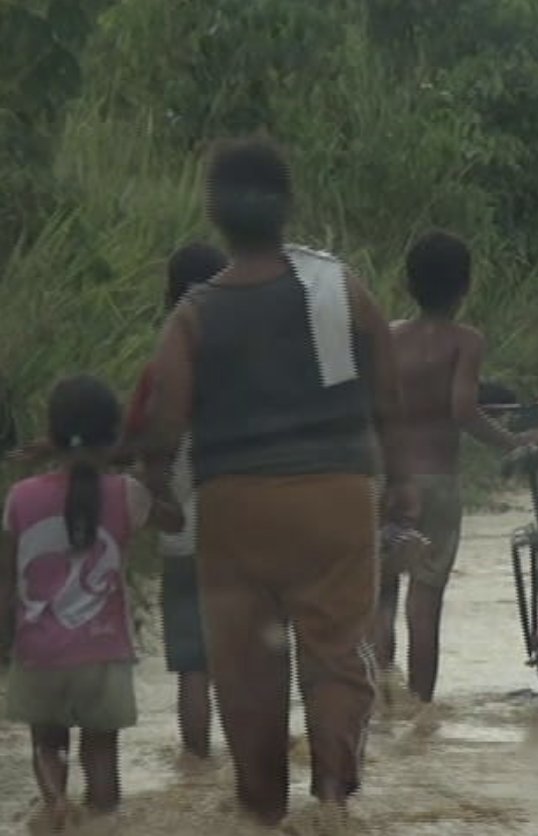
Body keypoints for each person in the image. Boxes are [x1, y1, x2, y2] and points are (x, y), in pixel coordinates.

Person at [140, 138, 415, 829]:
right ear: (286, 209)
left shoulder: (194, 313)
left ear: (215, 217)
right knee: (334, 655)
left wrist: (159, 487)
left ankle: (263, 807)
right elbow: (387, 386)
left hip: (236, 514)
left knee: (247, 676)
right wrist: (400, 480)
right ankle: (328, 799)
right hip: (336, 500)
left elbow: (164, 415)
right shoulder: (335, 286)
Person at [0, 375, 182, 830]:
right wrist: (132, 458)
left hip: (38, 653)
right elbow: (175, 520)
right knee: (102, 755)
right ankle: (102, 820)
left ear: (52, 434)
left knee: (47, 744)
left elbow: (6, 583)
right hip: (103, 655)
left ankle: (56, 805)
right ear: (112, 434)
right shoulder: (125, 493)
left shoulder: (20, 497)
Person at [374, 230, 537, 705]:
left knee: (382, 595)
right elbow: (463, 409)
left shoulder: (387, 337)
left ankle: (383, 695)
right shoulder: (465, 342)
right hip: (438, 485)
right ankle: (420, 714)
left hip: (389, 481)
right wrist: (512, 443)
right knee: (425, 605)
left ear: (408, 284)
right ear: (464, 287)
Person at [121, 243, 228, 760]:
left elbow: (139, 452)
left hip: (182, 538)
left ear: (170, 297)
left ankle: (196, 770)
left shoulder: (158, 374)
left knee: (192, 666)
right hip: (246, 536)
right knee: (251, 661)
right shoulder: (248, 370)